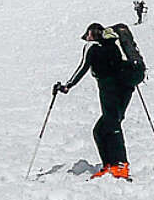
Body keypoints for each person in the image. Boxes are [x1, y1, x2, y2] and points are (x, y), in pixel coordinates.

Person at [56, 23, 135, 179]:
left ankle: (120, 166)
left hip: (109, 88)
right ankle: (110, 165)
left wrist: (67, 86)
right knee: (101, 129)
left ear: (91, 34)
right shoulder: (113, 45)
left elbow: (83, 67)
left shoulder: (92, 47)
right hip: (125, 88)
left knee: (111, 125)